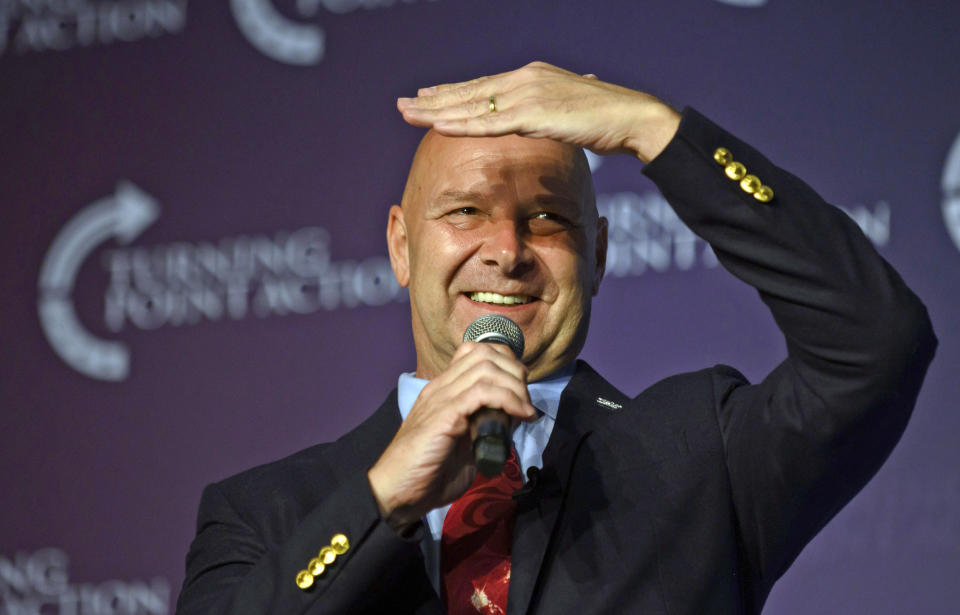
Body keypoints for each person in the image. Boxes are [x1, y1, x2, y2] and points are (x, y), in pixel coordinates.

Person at [175, 62, 936, 615]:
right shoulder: (267, 513)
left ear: (599, 253)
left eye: (547, 218)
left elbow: (878, 340)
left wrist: (655, 129)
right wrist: (382, 502)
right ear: (402, 247)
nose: (507, 249)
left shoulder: (705, 459)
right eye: (466, 212)